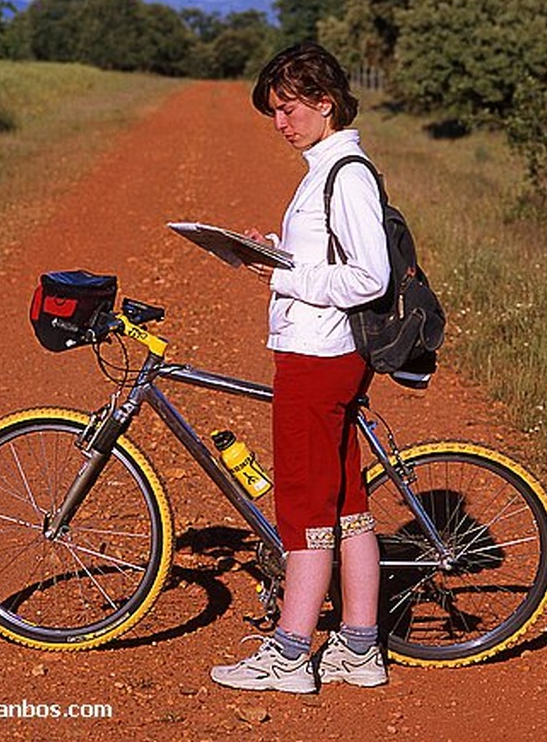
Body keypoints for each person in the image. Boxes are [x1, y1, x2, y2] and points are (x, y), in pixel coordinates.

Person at [210, 42, 391, 694]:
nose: (280, 123)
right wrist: (277, 255)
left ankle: (290, 655)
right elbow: (330, 258)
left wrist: (288, 274)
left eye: (288, 109)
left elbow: (370, 275)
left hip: (319, 357)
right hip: (324, 350)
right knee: (346, 505)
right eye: (274, 113)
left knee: (304, 507)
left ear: (324, 101)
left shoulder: (347, 171)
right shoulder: (328, 168)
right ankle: (361, 649)